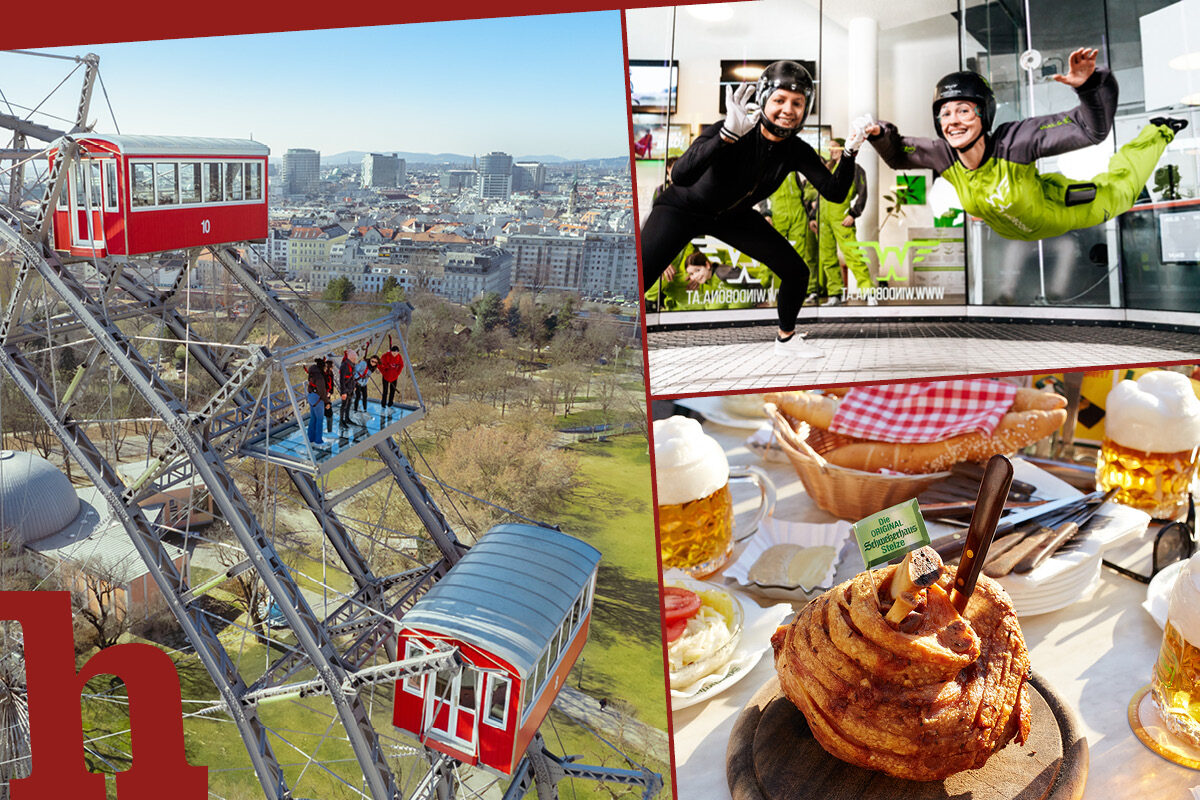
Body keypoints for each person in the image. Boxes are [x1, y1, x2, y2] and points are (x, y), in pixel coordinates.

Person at [639, 60, 864, 357]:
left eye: (797, 103)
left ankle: (786, 340)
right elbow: (681, 175)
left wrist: (849, 152)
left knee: (796, 271)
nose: (788, 109)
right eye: (780, 100)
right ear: (764, 100)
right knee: (639, 275)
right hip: (682, 208)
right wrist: (726, 136)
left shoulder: (795, 149)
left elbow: (834, 192)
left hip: (732, 216)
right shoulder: (732, 129)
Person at [860, 47, 1187, 242]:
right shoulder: (945, 156)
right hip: (1016, 231)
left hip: (1061, 211)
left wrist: (1088, 88)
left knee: (1122, 191)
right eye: (944, 112)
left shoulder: (1015, 143)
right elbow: (898, 153)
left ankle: (1159, 130)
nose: (953, 120)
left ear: (983, 115)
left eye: (964, 110)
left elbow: (1089, 129)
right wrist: (878, 134)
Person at [811, 138, 873, 306]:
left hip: (841, 218)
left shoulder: (854, 169)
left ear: (843, 148)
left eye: (834, 147)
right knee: (827, 258)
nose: (831, 151)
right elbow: (820, 195)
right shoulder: (827, 169)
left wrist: (853, 214)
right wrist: (813, 216)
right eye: (829, 148)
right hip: (823, 220)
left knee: (853, 255)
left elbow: (863, 193)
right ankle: (835, 294)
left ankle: (867, 291)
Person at [305, 355, 329, 448]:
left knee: (313, 418)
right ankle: (318, 441)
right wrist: (327, 402)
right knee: (319, 420)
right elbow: (322, 391)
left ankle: (310, 439)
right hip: (317, 398)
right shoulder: (319, 376)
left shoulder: (312, 372)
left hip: (311, 397)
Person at [378, 337, 405, 408]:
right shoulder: (385, 356)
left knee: (392, 391)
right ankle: (383, 404)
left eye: (396, 353)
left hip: (394, 377)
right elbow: (379, 365)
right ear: (391, 351)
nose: (395, 354)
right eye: (393, 353)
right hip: (386, 376)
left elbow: (401, 365)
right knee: (385, 391)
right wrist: (384, 372)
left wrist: (397, 373)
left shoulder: (399, 357)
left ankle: (390, 403)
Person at [338, 350, 357, 427]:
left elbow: (352, 377)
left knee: (349, 404)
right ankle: (341, 421)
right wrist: (343, 392)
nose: (355, 359)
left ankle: (347, 418)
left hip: (350, 388)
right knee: (344, 405)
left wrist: (354, 386)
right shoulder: (344, 366)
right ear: (351, 357)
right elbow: (342, 380)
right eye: (354, 358)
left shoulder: (351, 365)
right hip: (345, 389)